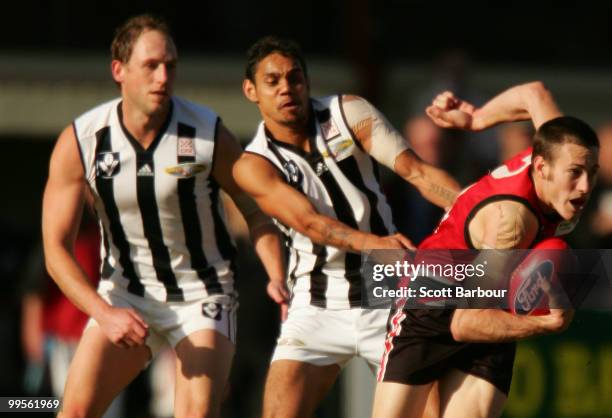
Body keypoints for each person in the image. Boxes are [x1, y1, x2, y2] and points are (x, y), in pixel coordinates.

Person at [41, 15, 284, 418]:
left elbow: (257, 211)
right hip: (124, 294)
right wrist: (104, 314)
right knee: (74, 413)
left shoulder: (207, 132)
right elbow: (55, 251)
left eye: (170, 65)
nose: (163, 76)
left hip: (202, 293)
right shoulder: (82, 141)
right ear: (119, 70)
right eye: (151, 65)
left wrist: (276, 274)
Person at [233, 35, 461, 418]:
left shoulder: (348, 112)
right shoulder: (253, 165)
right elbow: (310, 223)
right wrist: (375, 244)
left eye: (295, 77)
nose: (286, 88)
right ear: (250, 90)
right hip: (316, 302)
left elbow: (418, 173)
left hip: (387, 292)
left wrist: (484, 212)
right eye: (272, 81)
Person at [372, 82, 600, 418]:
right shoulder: (512, 222)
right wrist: (545, 325)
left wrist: (478, 119)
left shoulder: (560, 143)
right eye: (575, 174)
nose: (585, 187)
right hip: (434, 302)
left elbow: (533, 94)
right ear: (541, 168)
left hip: (488, 294)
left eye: (591, 173)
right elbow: (463, 323)